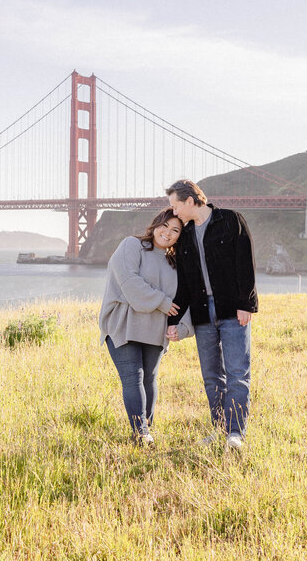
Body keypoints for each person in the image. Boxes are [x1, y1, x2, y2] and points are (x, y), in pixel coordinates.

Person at [165, 179, 257, 450]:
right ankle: (219, 430)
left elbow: (246, 264)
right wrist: (173, 319)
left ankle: (235, 433)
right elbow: (184, 282)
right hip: (202, 313)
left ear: (191, 201)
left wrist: (246, 304)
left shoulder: (231, 220)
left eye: (175, 206)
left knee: (237, 371)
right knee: (211, 376)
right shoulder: (186, 235)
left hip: (232, 309)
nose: (174, 212)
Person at [98, 208, 183, 445]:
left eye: (175, 230)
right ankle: (142, 433)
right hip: (123, 324)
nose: (167, 233)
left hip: (155, 329)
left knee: (149, 379)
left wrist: (179, 325)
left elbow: (182, 300)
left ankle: (146, 431)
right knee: (133, 378)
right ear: (156, 224)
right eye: (164, 226)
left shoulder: (175, 263)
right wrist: (163, 303)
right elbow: (130, 284)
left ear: (179, 237)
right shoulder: (132, 245)